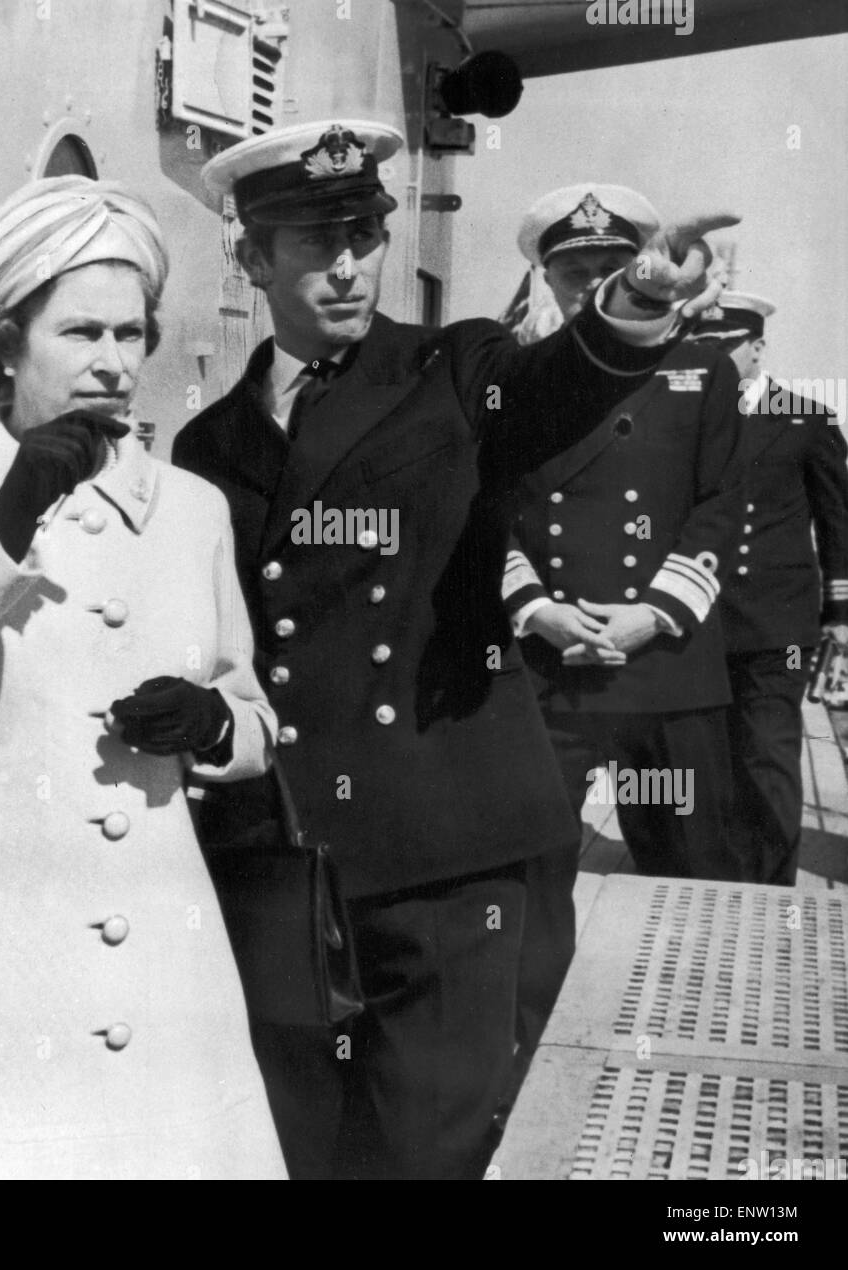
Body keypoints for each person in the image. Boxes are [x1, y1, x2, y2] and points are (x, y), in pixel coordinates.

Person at [171, 119, 736, 1179]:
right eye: (312, 242)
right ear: (250, 258)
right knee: (300, 1140)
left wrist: (635, 305)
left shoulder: (454, 366)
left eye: (364, 236)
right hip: (282, 852)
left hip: (443, 841)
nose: (347, 266)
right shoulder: (207, 446)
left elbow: (553, 386)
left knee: (426, 1149)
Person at [0, 176, 286, 1180]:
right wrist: (8, 518)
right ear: (5, 342)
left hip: (162, 942)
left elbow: (257, 718)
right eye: (81, 332)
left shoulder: (192, 510)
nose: (113, 363)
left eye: (131, 335)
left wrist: (214, 722)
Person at [501, 183, 749, 880]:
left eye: (609, 267)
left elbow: (721, 504)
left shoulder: (703, 373)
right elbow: (478, 505)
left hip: (666, 671)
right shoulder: (513, 380)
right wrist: (537, 610)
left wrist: (655, 613)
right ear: (544, 278)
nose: (589, 286)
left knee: (694, 878)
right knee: (528, 880)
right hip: (549, 669)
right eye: (573, 271)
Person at [690, 292, 848, 884]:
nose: (713, 359)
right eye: (702, 347)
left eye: (725, 347)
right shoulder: (683, 416)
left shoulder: (805, 418)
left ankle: (769, 891)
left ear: (757, 348)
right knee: (705, 759)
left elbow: (839, 521)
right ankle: (712, 881)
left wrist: (841, 613)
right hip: (695, 618)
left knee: (768, 755)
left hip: (775, 621)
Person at [500, 182, 660, 342]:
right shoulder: (535, 363)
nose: (596, 284)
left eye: (611, 270)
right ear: (550, 282)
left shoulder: (679, 355)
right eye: (576, 273)